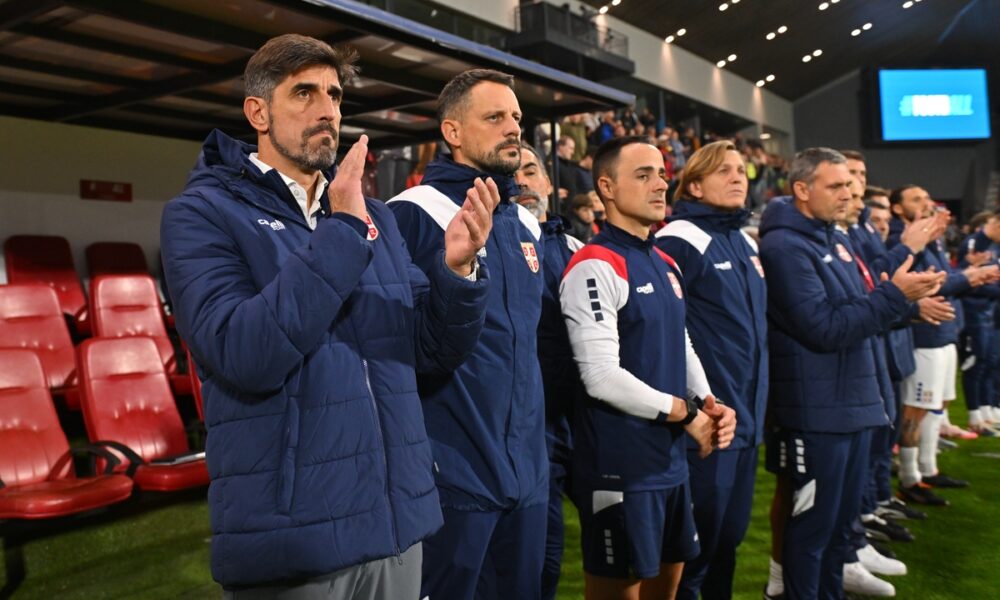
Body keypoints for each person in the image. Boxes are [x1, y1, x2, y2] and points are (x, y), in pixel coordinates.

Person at [159, 34, 495, 598]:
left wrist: (456, 274)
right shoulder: (201, 214)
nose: (328, 111)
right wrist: (340, 230)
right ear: (257, 112)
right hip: (297, 540)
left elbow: (428, 353)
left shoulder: (376, 219)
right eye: (305, 94)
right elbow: (246, 354)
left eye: (336, 96)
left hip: (398, 527)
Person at [387, 69, 548, 600]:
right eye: (495, 117)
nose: (513, 128)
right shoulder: (409, 216)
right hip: (450, 478)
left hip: (527, 477)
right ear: (452, 132)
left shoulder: (525, 226)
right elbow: (398, 350)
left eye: (517, 118)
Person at [758, 148, 943, 600]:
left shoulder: (831, 238)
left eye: (849, 184)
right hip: (816, 411)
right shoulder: (785, 246)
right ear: (802, 190)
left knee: (838, 528)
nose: (849, 193)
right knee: (812, 531)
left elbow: (863, 302)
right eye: (836, 185)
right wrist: (895, 296)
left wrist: (902, 296)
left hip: (850, 402)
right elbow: (823, 327)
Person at [560, 136, 736, 600]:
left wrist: (709, 402)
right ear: (607, 187)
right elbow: (600, 376)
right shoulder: (594, 264)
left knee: (668, 589)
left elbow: (680, 339)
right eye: (643, 175)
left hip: (670, 463)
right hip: (620, 468)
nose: (660, 184)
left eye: (661, 173)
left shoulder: (663, 261)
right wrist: (687, 413)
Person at [653, 141, 768, 600]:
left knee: (728, 542)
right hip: (708, 423)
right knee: (692, 553)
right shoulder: (679, 237)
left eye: (742, 170)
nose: (739, 177)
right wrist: (694, 409)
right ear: (694, 184)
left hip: (747, 421)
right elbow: (663, 334)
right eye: (725, 171)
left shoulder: (743, 239)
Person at [887, 186, 999, 506]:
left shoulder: (927, 239)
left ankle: (927, 468)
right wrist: (971, 276)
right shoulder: (904, 242)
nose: (925, 204)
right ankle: (910, 478)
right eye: (916, 200)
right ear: (898, 209)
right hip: (925, 334)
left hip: (942, 331)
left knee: (935, 405)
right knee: (916, 408)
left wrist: (965, 272)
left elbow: (944, 278)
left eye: (927, 199)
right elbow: (930, 284)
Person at [514, 141, 585, 600]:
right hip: (528, 428)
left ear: (549, 184)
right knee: (540, 559)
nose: (521, 179)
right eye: (512, 171)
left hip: (579, 423)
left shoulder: (579, 248)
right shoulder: (491, 241)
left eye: (531, 169)